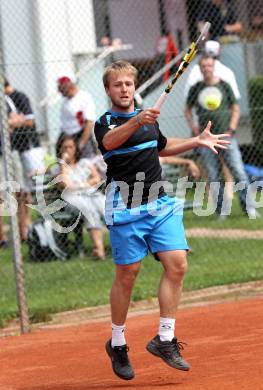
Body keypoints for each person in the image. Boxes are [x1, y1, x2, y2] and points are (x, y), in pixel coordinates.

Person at [94, 60, 229, 380]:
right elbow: (110, 143)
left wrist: (196, 142)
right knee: (128, 273)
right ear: (108, 90)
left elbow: (163, 147)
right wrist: (137, 120)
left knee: (178, 264)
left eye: (129, 84)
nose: (124, 89)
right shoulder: (105, 122)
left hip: (159, 204)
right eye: (118, 85)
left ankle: (164, 339)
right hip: (124, 207)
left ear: (134, 86)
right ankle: (117, 343)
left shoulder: (148, 121)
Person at [184, 55, 258, 219]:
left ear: (214, 66)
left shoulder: (224, 85)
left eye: (209, 65)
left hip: (226, 137)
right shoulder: (196, 88)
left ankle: (250, 209)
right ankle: (221, 212)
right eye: (203, 66)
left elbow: (235, 108)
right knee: (213, 175)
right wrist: (194, 129)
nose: (206, 69)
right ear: (200, 68)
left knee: (238, 172)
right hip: (206, 140)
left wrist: (231, 128)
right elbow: (187, 110)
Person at [4, 80, 45, 240]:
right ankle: (26, 229)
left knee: (38, 185)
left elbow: (29, 120)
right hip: (18, 150)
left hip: (30, 147)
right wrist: (12, 121)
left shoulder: (18, 96)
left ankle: (44, 223)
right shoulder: (6, 99)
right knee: (23, 189)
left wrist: (14, 122)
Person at [56, 134, 105, 260]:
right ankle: (99, 249)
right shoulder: (59, 168)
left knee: (106, 207)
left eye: (70, 147)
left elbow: (96, 178)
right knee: (88, 209)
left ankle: (125, 244)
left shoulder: (84, 162)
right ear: (60, 149)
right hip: (71, 198)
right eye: (64, 147)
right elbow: (65, 184)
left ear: (76, 148)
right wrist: (63, 162)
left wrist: (82, 184)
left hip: (90, 193)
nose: (67, 150)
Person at [57, 73, 97, 160]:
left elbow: (89, 123)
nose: (59, 91)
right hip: (67, 137)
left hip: (81, 134)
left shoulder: (84, 97)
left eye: (61, 88)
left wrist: (81, 144)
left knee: (87, 162)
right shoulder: (65, 102)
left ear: (70, 86)